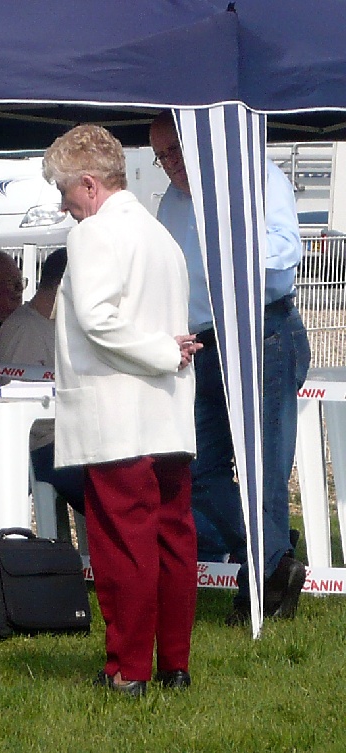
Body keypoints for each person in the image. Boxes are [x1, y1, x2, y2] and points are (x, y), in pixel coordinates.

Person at [43, 124, 200, 697]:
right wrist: (167, 352)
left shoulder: (96, 235)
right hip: (167, 414)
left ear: (88, 183)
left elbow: (98, 319)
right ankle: (174, 665)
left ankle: (128, 668)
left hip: (118, 417)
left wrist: (160, 351)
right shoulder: (162, 235)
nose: (64, 207)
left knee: (122, 545)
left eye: (64, 193)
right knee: (172, 539)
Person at [150, 111, 311, 625]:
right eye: (159, 156)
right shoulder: (170, 203)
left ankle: (262, 576)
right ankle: (273, 559)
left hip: (263, 329)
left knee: (263, 464)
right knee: (196, 467)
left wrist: (233, 248)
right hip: (202, 342)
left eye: (174, 151)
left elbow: (286, 260)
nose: (168, 164)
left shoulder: (257, 177)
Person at [0, 247, 84, 514]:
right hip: (44, 447)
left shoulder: (55, 323)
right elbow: (24, 411)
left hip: (66, 439)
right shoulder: (25, 330)